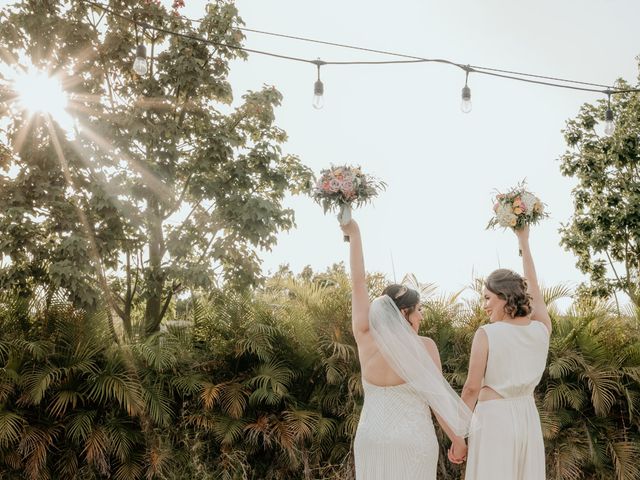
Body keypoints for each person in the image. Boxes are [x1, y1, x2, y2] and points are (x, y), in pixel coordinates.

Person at [341, 220, 471, 480]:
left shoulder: (365, 338)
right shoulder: (424, 347)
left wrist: (354, 235)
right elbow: (438, 401)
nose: (421, 316)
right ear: (404, 313)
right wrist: (458, 440)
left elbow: (358, 283)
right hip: (413, 441)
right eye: (419, 310)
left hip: (371, 439)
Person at [460, 225, 551, 479]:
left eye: (487, 298)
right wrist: (524, 241)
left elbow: (470, 390)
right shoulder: (541, 329)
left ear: (504, 297)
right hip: (527, 419)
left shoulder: (487, 334)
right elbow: (534, 287)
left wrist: (458, 436)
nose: (484, 305)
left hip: (494, 421)